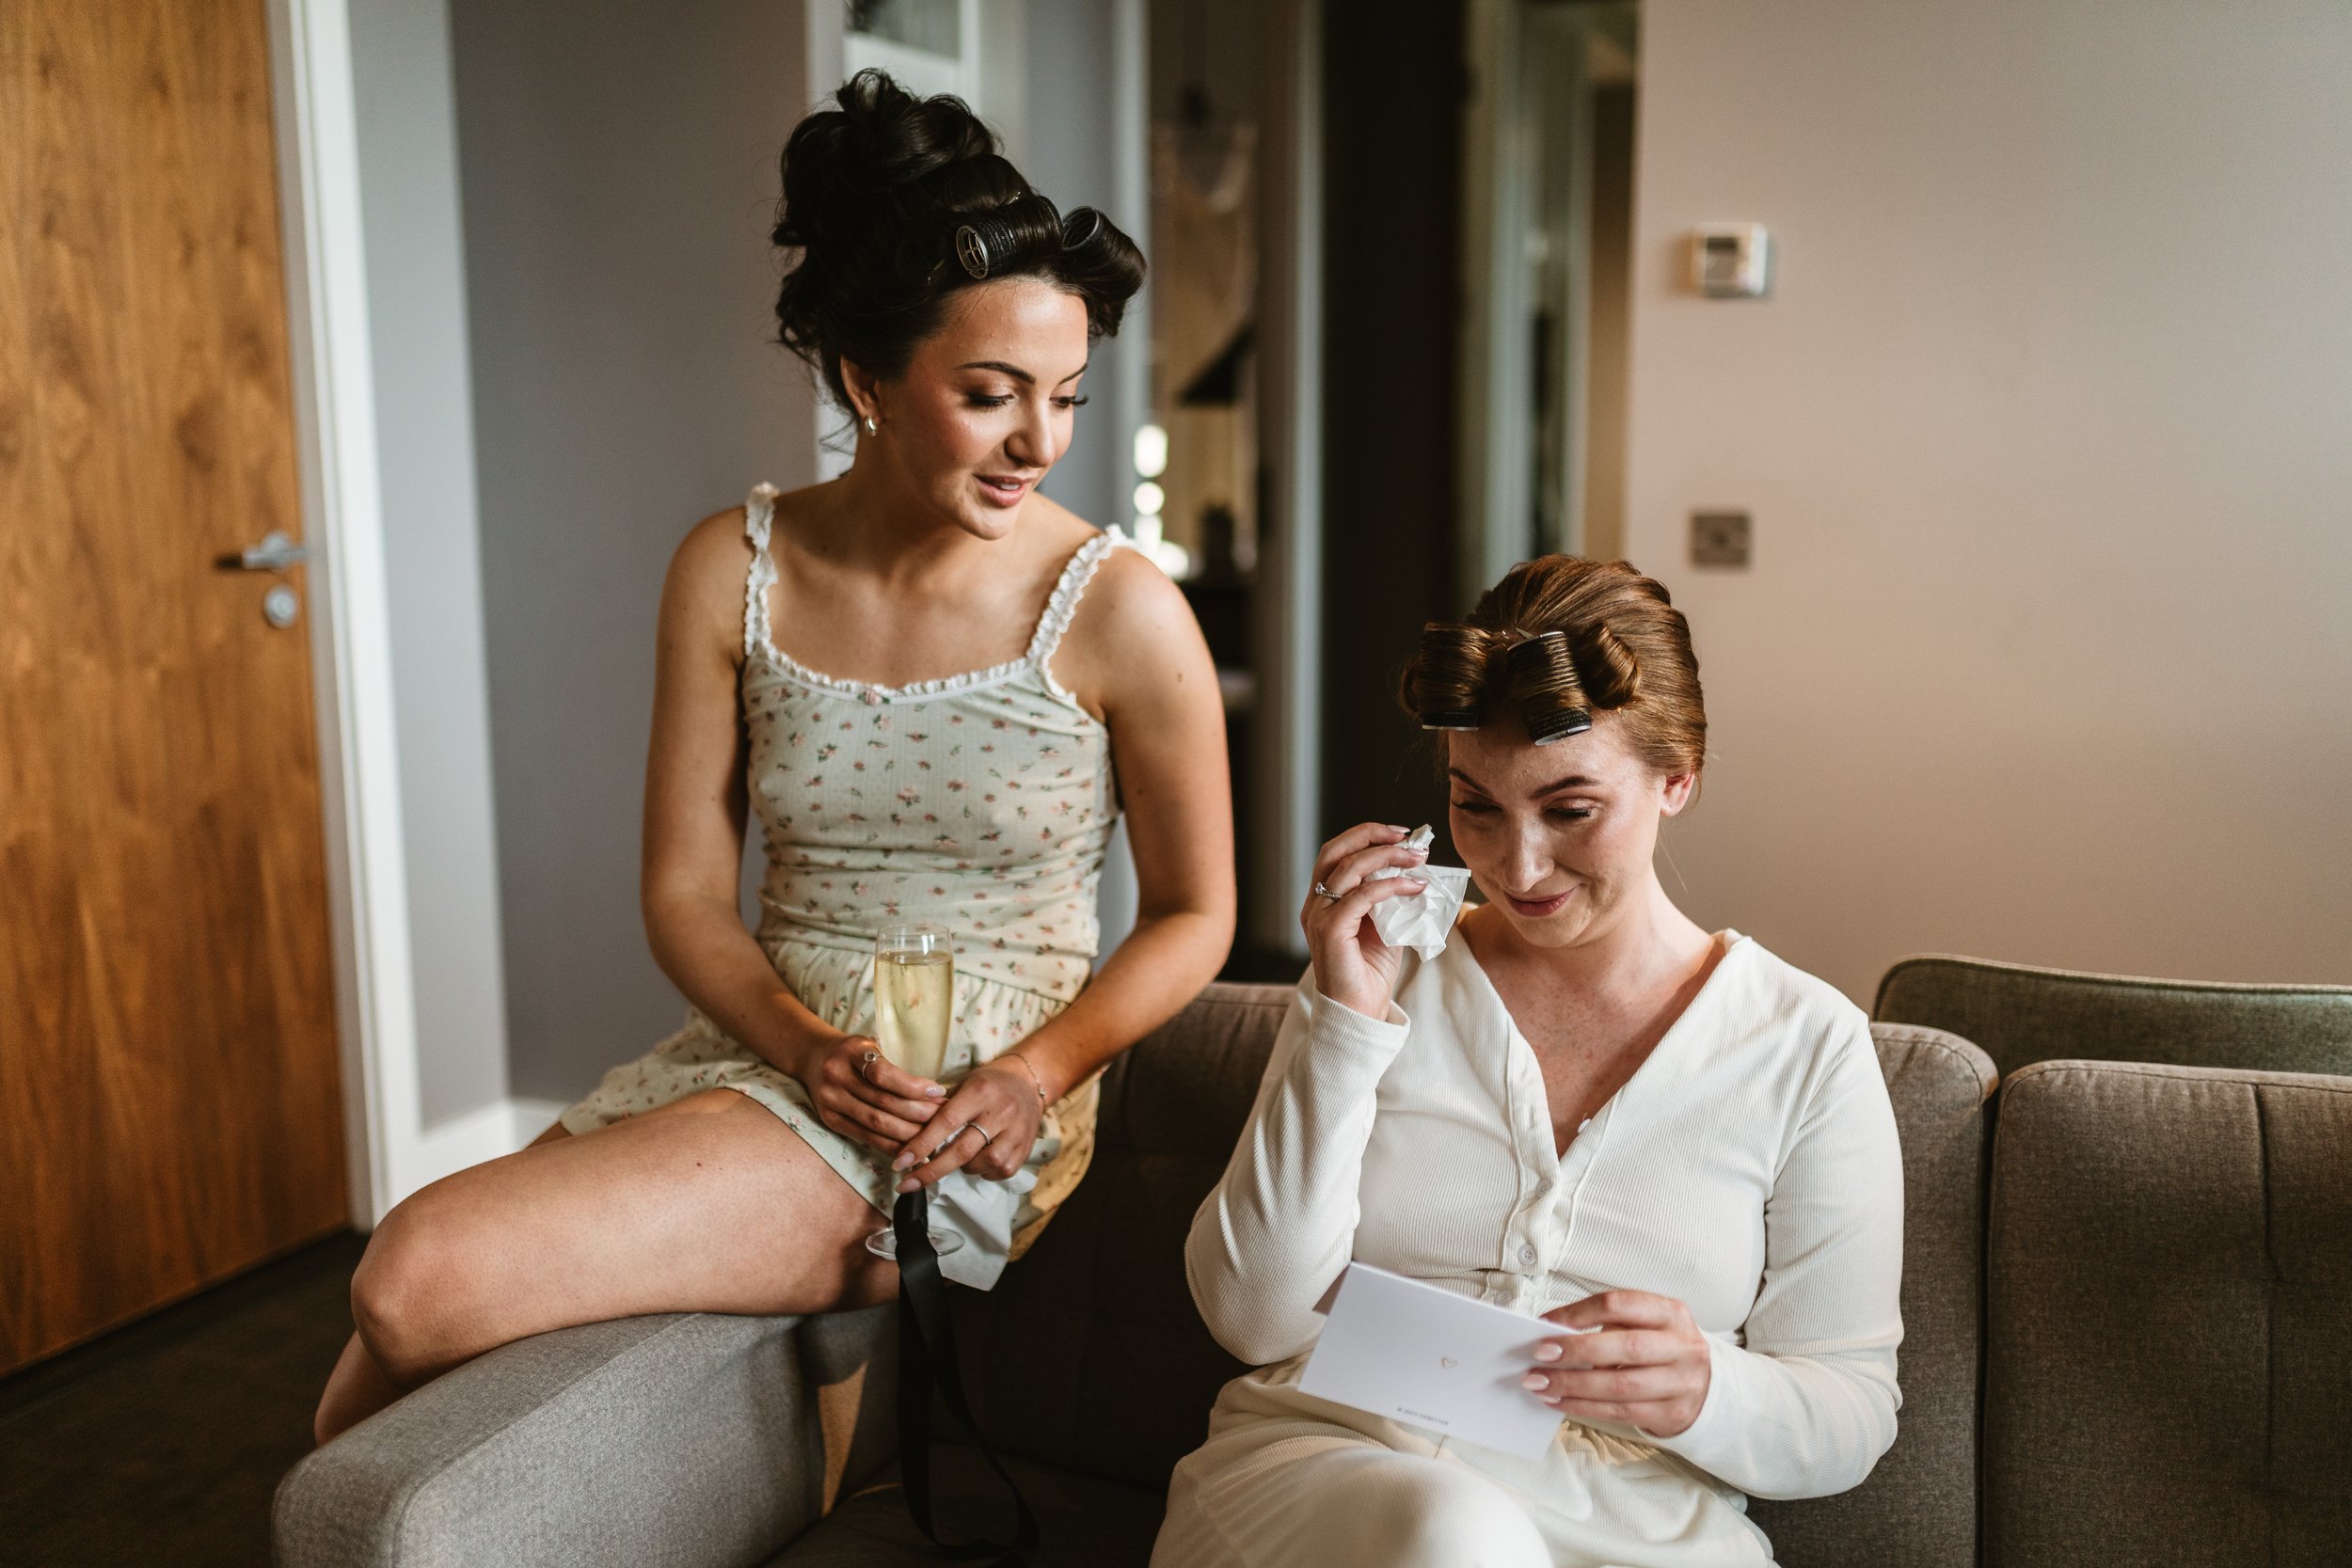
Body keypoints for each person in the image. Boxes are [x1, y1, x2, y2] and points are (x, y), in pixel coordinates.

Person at [314, 71, 1235, 1443]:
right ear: (869, 379)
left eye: (1067, 396)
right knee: (359, 1406)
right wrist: (801, 1047)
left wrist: (1036, 1074)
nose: (1037, 442)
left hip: (961, 1109)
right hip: (765, 1052)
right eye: (991, 395)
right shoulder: (729, 569)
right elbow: (687, 892)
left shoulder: (1120, 606)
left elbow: (1195, 912)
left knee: (414, 1271)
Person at [1153, 558, 1901, 1567]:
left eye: (1569, 808)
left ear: (1676, 775)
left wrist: (1707, 1390)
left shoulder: (1805, 1043)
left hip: (1640, 1526)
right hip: (1338, 1475)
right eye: (1477, 805)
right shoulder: (1386, 979)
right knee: (1459, 1539)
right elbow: (1252, 1314)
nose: (1518, 866)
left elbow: (1848, 1409)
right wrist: (1344, 1023)